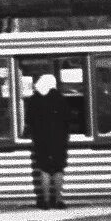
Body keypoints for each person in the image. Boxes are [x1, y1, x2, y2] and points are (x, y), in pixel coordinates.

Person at [25, 72, 72, 209]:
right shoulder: (60, 99)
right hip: (59, 140)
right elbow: (68, 120)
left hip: (41, 140)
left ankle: (45, 201)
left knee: (44, 169)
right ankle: (58, 200)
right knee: (58, 169)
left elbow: (29, 121)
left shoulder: (34, 100)